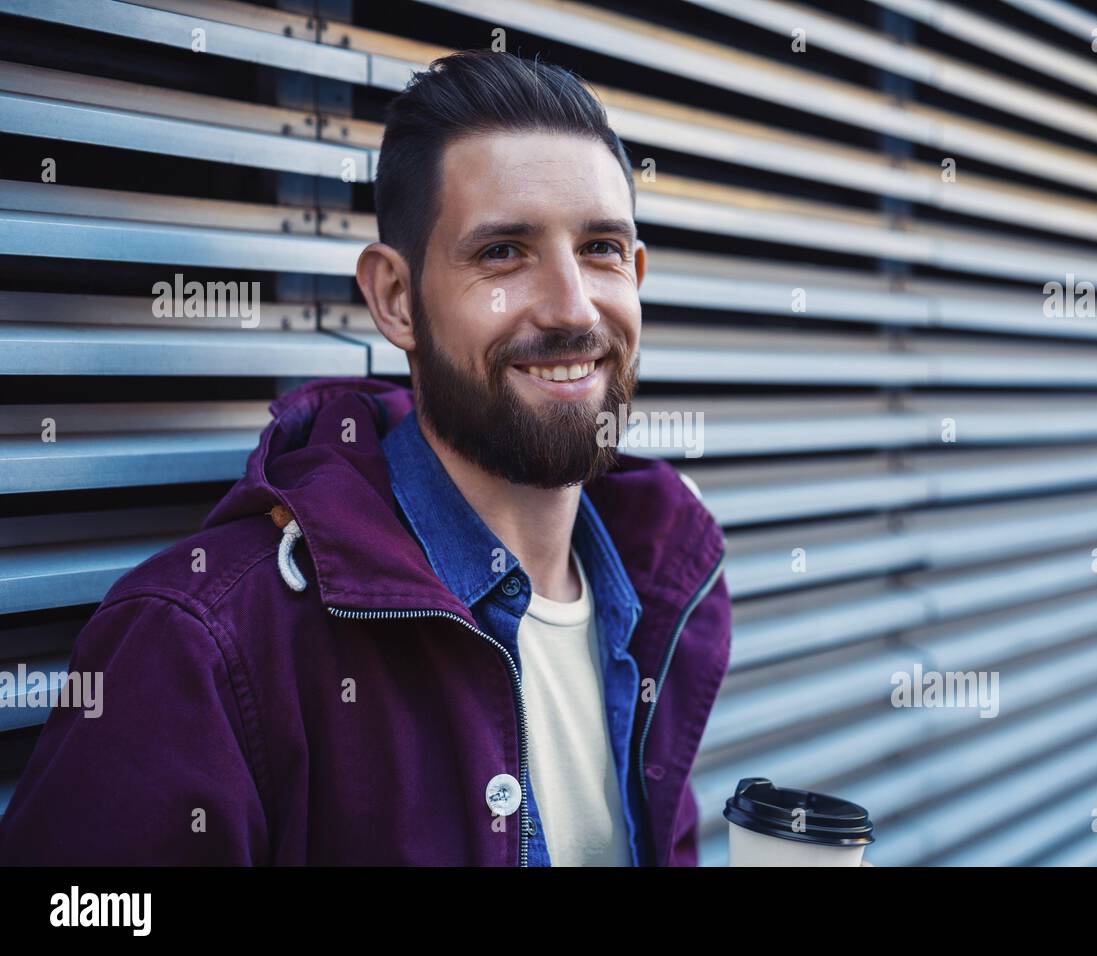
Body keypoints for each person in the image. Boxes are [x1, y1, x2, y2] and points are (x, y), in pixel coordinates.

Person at [0, 49, 731, 866]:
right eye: (502, 253)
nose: (571, 307)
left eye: (600, 248)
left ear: (634, 276)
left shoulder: (662, 589)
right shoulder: (201, 647)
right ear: (394, 299)